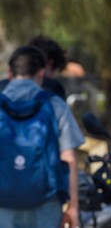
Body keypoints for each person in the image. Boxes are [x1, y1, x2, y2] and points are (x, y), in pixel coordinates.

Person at [0, 46, 85, 228]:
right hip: (46, 204)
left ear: (9, 73)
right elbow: (69, 159)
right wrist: (73, 208)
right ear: (41, 73)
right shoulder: (55, 105)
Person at [0, 34, 67, 100]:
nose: (53, 77)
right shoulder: (54, 89)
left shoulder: (2, 87)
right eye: (55, 72)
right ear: (50, 64)